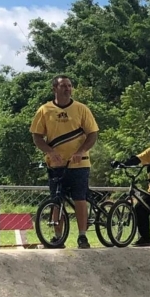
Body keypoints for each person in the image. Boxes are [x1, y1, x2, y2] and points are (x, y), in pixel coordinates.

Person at [29, 74, 99, 249]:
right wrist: (50, 152)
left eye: (69, 85)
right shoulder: (45, 110)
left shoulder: (81, 109)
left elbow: (92, 134)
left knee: (79, 199)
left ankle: (82, 236)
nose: (67, 89)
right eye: (63, 86)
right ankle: (57, 237)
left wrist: (81, 150)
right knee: (56, 200)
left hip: (79, 164)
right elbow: (37, 136)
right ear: (55, 89)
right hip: (56, 165)